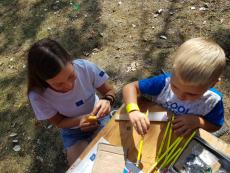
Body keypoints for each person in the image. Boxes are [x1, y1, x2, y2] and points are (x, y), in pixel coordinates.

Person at [27, 38, 115, 166]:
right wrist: (80, 121)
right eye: (58, 84)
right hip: (73, 131)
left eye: (71, 75)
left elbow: (109, 91)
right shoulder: (38, 95)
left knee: (112, 161)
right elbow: (59, 122)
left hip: (99, 118)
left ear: (71, 61)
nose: (68, 85)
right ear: (42, 81)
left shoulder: (85, 67)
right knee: (81, 166)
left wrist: (107, 100)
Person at [123, 37, 226, 137]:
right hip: (154, 131)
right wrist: (133, 111)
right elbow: (130, 87)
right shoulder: (164, 82)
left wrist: (198, 122)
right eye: (175, 87)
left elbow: (216, 126)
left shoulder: (212, 101)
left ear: (212, 84)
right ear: (173, 70)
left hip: (181, 138)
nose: (180, 96)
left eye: (191, 94)